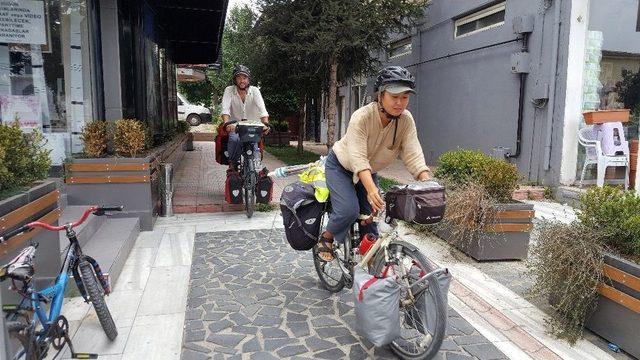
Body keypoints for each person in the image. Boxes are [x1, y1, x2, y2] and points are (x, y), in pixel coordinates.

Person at [317, 66, 432, 261]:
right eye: (394, 96)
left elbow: (413, 153)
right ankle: (326, 238)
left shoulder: (406, 120)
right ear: (380, 95)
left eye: (405, 97)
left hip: (369, 172)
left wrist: (427, 182)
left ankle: (368, 264)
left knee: (371, 219)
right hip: (341, 166)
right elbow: (358, 159)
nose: (399, 103)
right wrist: (371, 190)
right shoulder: (362, 117)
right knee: (348, 210)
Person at [220, 65, 270, 169]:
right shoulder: (229, 90)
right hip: (236, 126)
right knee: (234, 140)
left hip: (253, 127)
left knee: (255, 147)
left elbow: (262, 109)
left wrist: (265, 124)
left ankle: (255, 167)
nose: (242, 80)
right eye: (239, 78)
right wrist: (226, 124)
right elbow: (225, 109)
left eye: (244, 78)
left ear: (248, 79)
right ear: (235, 79)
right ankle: (232, 164)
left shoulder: (255, 90)